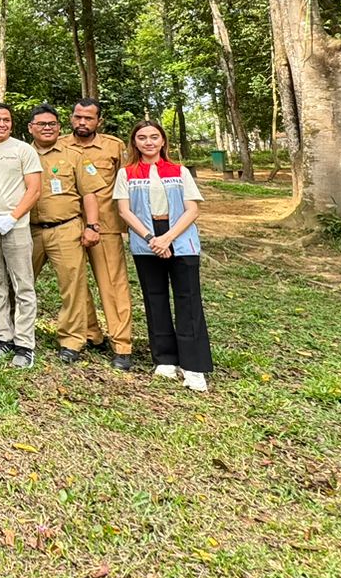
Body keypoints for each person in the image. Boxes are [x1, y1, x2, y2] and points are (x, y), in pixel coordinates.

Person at [113, 119, 214, 392]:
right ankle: (165, 359)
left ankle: (194, 366)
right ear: (134, 142)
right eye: (142, 137)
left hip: (181, 237)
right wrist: (151, 239)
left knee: (188, 299)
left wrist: (167, 238)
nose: (148, 142)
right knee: (154, 298)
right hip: (145, 237)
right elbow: (124, 211)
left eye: (154, 137)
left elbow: (192, 210)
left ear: (163, 141)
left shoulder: (179, 170)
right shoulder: (127, 173)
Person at [26, 105, 117, 367]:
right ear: (31, 127)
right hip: (28, 231)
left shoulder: (74, 155)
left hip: (66, 229)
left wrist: (92, 225)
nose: (47, 128)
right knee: (20, 283)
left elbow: (90, 193)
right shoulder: (21, 153)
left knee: (72, 287)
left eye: (52, 123)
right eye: (41, 124)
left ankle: (72, 340)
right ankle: (17, 333)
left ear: (59, 126)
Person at [59, 99, 134, 363]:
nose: (82, 122)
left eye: (88, 118)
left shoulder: (114, 147)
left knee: (112, 285)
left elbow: (127, 186)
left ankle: (121, 345)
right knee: (75, 283)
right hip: (68, 225)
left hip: (105, 227)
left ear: (98, 122)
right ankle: (92, 333)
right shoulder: (59, 145)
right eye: (78, 117)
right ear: (71, 118)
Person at [0, 102, 42, 367]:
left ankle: (25, 344)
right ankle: (3, 337)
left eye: (7, 120)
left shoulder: (22, 149)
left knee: (23, 285)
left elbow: (34, 189)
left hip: (15, 226)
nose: (2, 124)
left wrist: (12, 217)